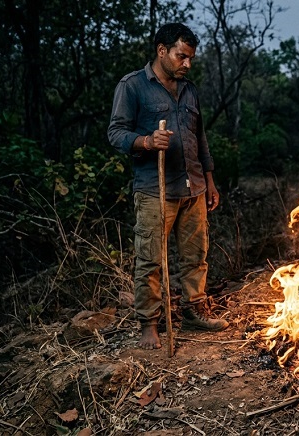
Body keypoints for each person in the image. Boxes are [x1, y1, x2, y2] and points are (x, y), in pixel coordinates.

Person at [108, 23, 229, 350]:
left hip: (195, 188)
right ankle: (149, 322)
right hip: (154, 190)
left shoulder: (189, 90)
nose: (186, 64)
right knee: (150, 258)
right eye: (181, 56)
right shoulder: (133, 86)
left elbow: (199, 138)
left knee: (196, 255)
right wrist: (146, 141)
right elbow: (116, 133)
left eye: (190, 58)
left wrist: (211, 180)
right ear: (162, 50)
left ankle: (194, 311)